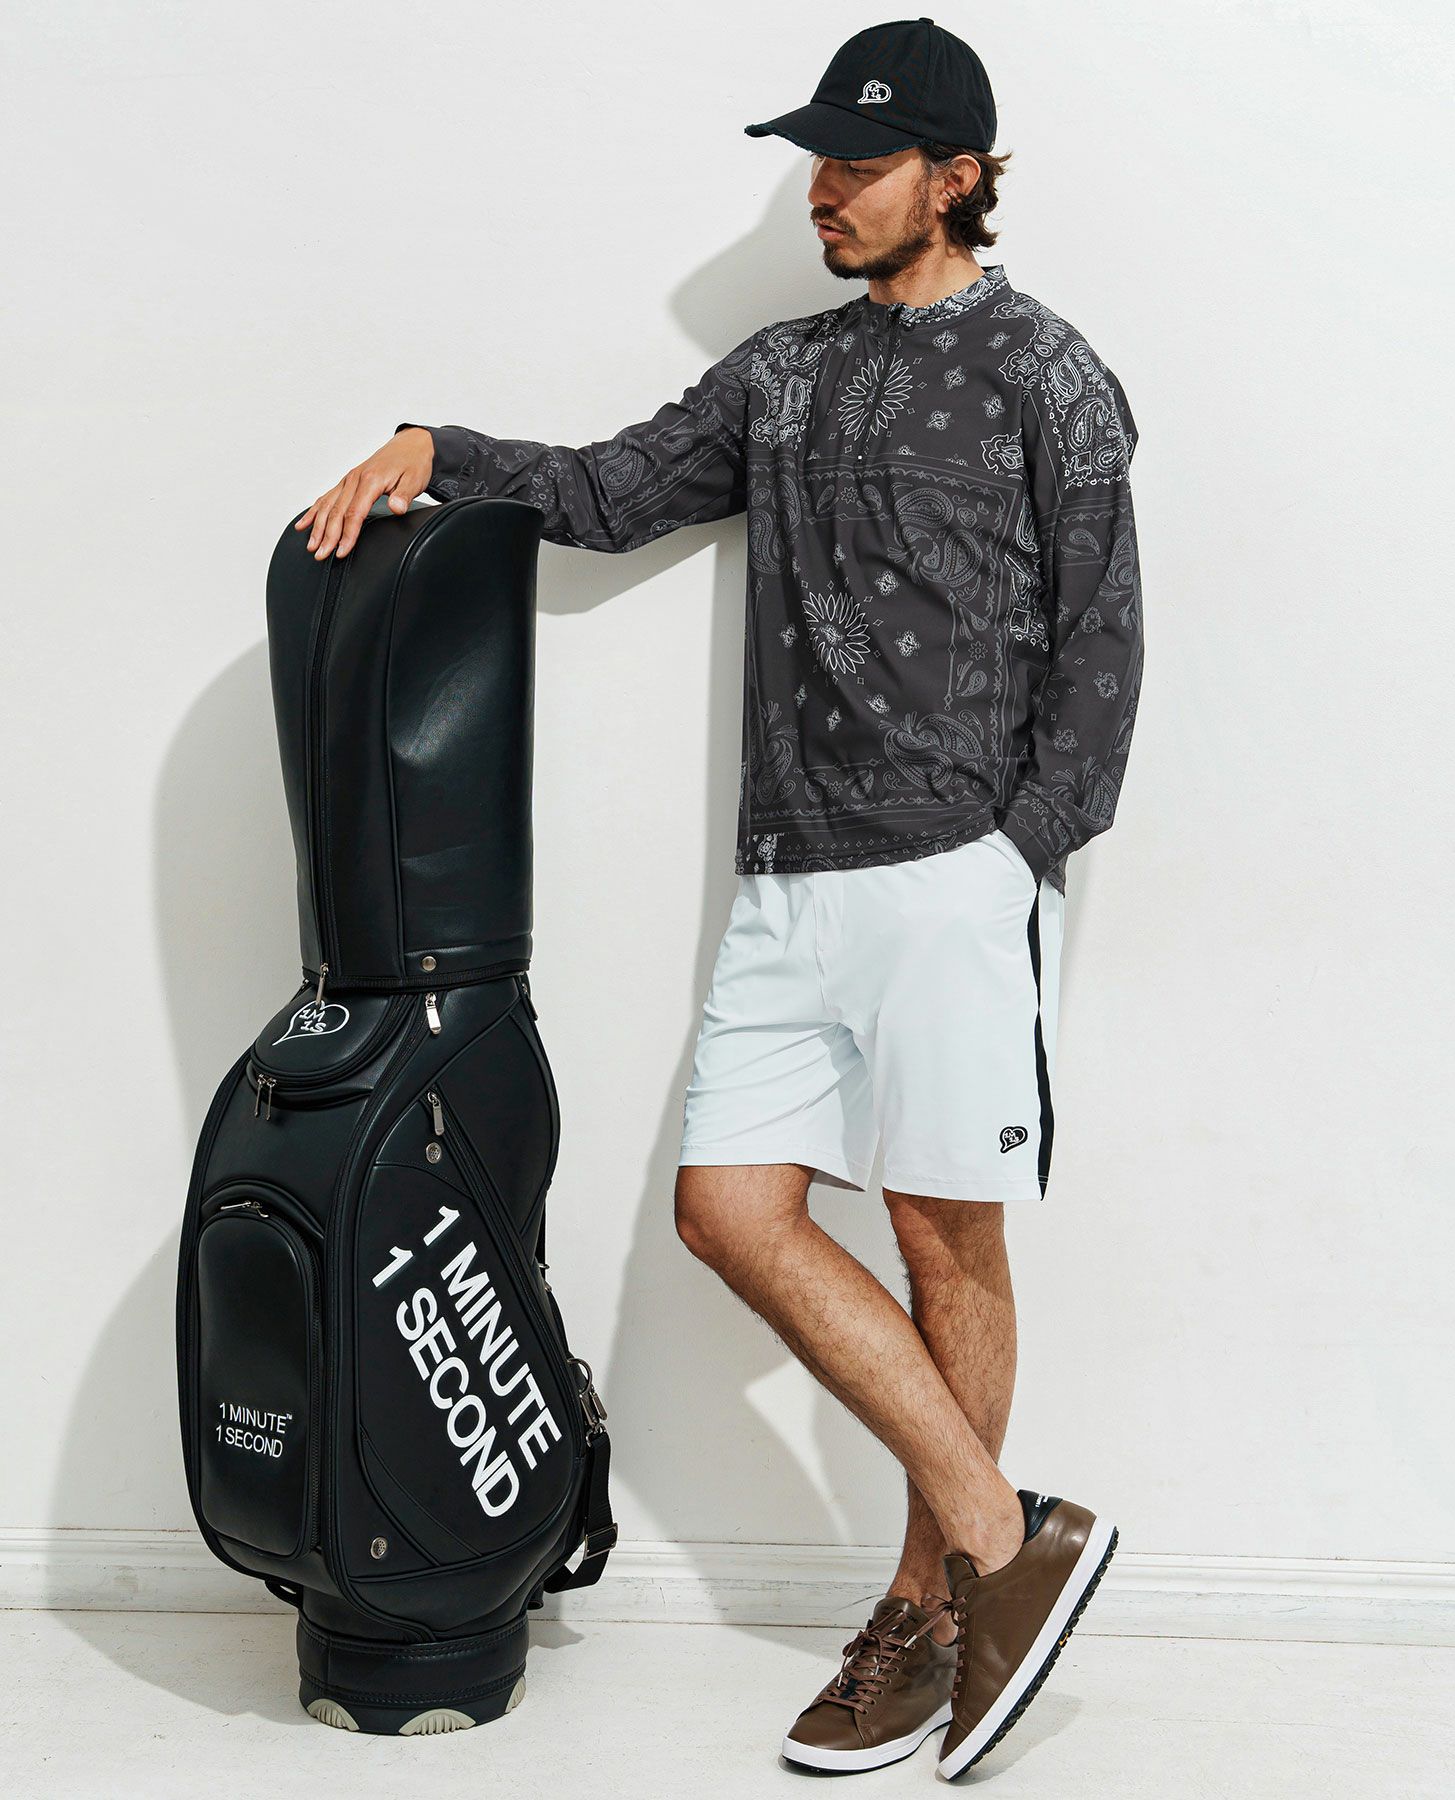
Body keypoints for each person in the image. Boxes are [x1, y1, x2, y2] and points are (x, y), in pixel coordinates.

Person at [294, 15, 1142, 1781]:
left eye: (860, 162)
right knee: (729, 1211)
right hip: (786, 881)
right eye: (816, 162)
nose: (824, 190)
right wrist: (438, 444)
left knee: (945, 1240)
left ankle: (926, 1614)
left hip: (953, 876)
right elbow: (607, 494)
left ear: (958, 177)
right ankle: (1007, 1538)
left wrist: (1024, 846)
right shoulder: (780, 376)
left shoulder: (1050, 374)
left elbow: (1103, 639)